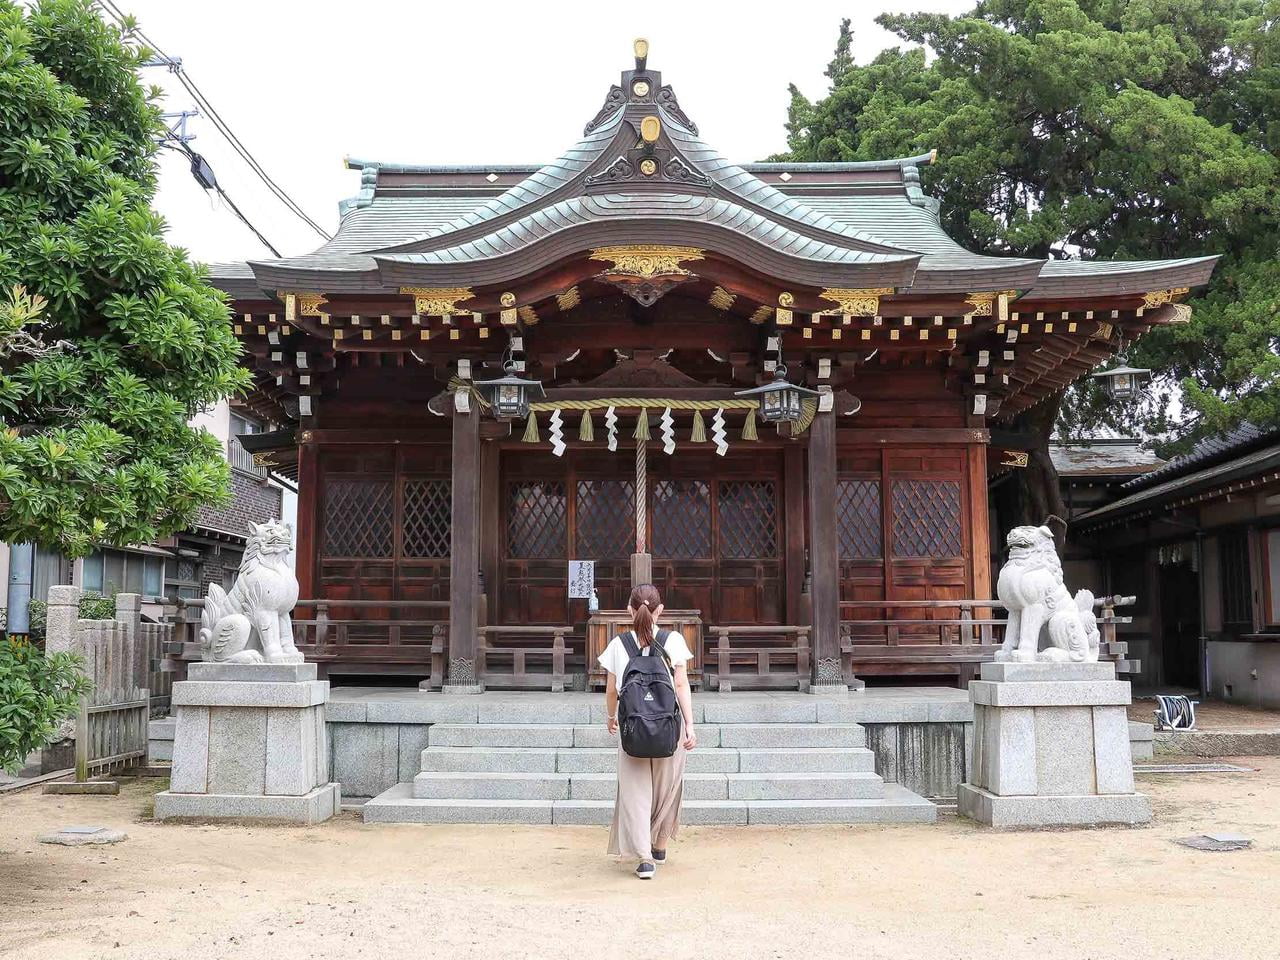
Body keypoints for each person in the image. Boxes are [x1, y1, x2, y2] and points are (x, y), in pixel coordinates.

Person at [598, 583, 697, 879]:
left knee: (635, 791)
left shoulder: (619, 644)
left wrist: (611, 716)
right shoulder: (674, 640)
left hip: (632, 727)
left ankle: (643, 859)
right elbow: (681, 685)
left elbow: (612, 689)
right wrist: (690, 724)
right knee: (669, 787)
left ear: (629, 610)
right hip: (669, 726)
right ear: (660, 610)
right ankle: (660, 845)